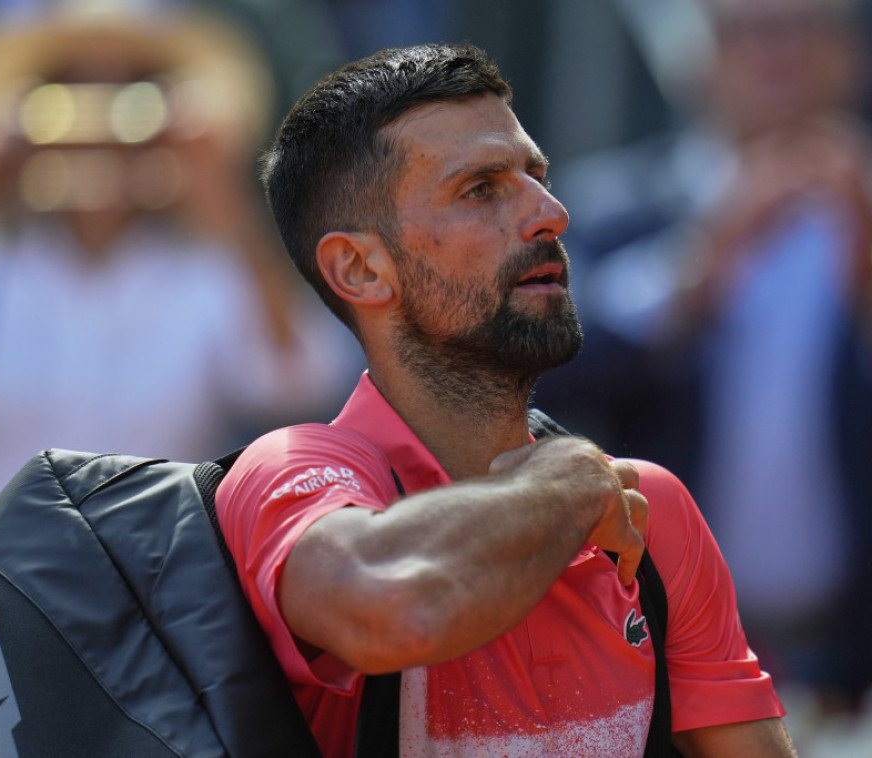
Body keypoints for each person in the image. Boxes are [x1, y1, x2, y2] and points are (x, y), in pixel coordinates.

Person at [215, 43, 795, 756]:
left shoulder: (649, 506)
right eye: (481, 189)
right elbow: (391, 608)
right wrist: (566, 484)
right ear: (360, 268)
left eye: (536, 176)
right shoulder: (291, 472)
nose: (552, 214)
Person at [0, 5, 358, 573]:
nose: (101, 120)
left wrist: (230, 212)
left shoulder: (207, 269)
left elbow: (301, 377)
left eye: (130, 90)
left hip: (149, 588)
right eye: (73, 88)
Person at [538, 0, 872, 717]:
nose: (778, 53)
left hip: (851, 666)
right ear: (700, 58)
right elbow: (550, 371)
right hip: (659, 651)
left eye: (805, 26)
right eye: (749, 30)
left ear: (851, 55)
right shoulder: (616, 206)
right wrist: (699, 267)